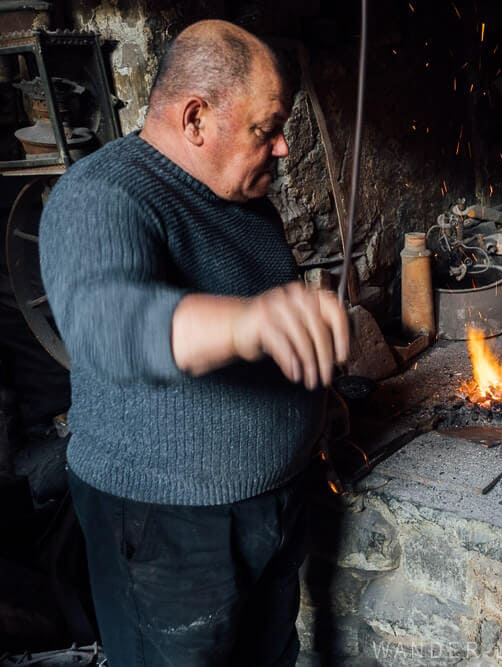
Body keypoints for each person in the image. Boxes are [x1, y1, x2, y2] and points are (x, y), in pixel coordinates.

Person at [38, 19, 350, 666]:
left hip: (274, 507)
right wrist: (249, 323)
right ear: (195, 118)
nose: (285, 147)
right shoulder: (100, 195)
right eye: (267, 127)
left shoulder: (240, 195)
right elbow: (107, 322)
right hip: (171, 533)